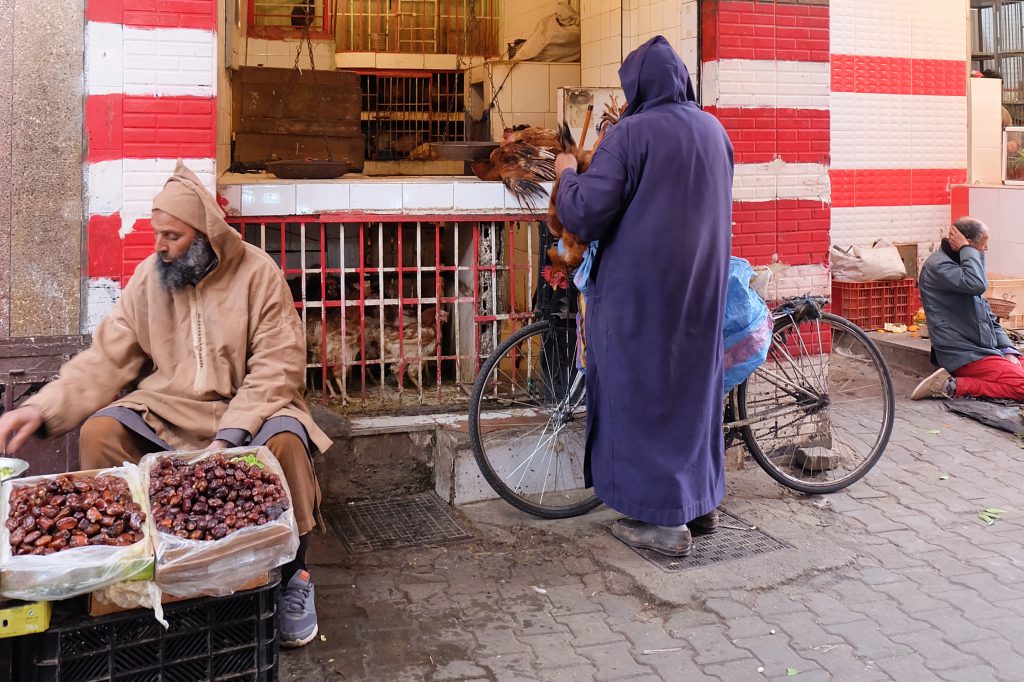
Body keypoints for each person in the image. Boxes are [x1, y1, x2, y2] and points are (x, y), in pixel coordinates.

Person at [0, 161, 331, 648]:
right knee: (100, 432)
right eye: (158, 234)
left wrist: (231, 435)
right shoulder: (150, 279)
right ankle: (135, 570)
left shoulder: (259, 273)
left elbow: (278, 367)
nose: (160, 246)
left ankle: (293, 578)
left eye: (172, 236)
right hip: (170, 408)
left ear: (205, 236)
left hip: (251, 407)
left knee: (284, 442)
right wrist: (44, 408)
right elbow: (107, 358)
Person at [553, 36, 734, 557]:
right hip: (701, 290)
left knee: (639, 398)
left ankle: (662, 525)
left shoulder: (630, 136)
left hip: (640, 297)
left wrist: (566, 173)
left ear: (637, 85)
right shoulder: (714, 131)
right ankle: (698, 506)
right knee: (691, 396)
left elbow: (585, 212)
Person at [912, 216, 1024, 401]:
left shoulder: (965, 265)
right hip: (963, 354)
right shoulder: (938, 266)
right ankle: (952, 386)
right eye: (984, 243)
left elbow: (987, 314)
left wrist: (1007, 349)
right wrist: (968, 250)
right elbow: (976, 285)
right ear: (968, 243)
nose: (985, 249)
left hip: (986, 349)